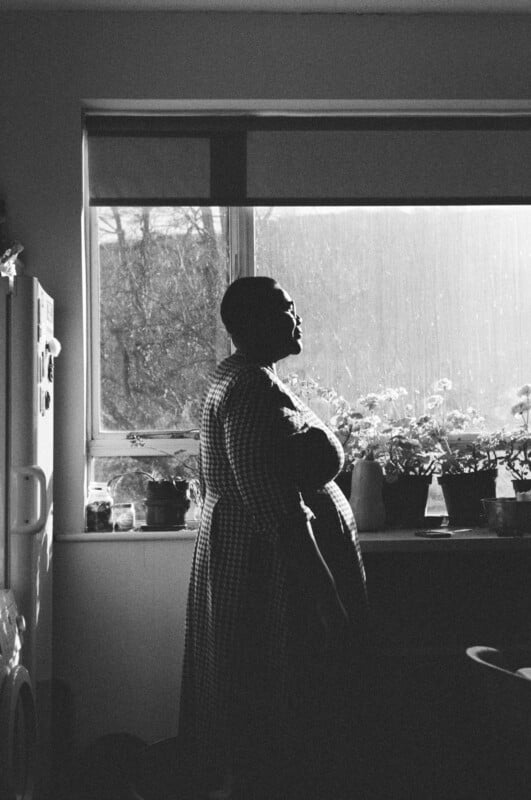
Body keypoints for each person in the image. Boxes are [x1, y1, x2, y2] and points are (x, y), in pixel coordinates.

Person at [178, 276, 370, 800]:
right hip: (268, 574)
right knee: (277, 696)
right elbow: (278, 512)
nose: (298, 317)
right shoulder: (251, 389)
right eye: (287, 308)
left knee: (259, 696)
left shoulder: (243, 375)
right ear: (256, 322)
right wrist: (328, 601)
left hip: (254, 560)